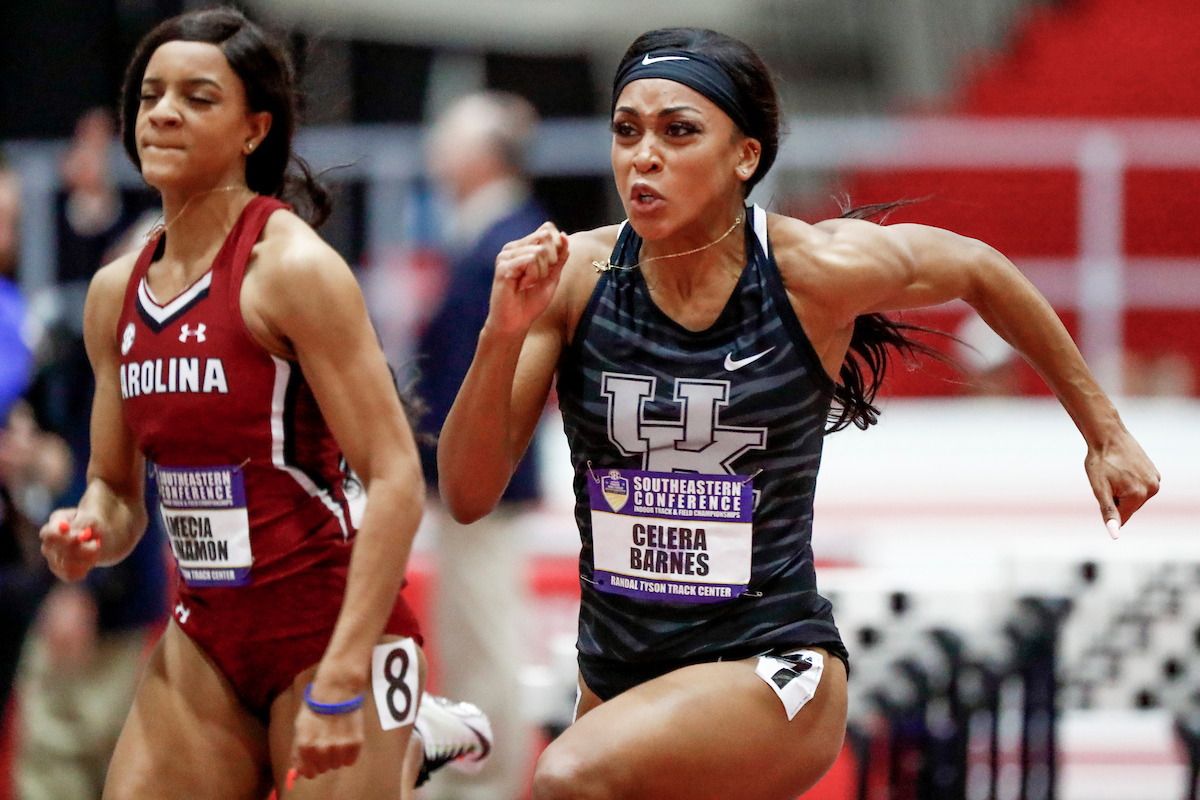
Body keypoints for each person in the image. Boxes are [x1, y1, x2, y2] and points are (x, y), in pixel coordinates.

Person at [436, 26, 1161, 800]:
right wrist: (499, 337)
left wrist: (1105, 433)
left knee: (568, 776)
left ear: (744, 156)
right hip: (620, 676)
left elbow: (980, 269)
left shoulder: (812, 270)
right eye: (626, 130)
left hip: (770, 669)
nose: (642, 156)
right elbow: (468, 494)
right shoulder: (576, 278)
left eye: (679, 131)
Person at [37, 9, 485, 799]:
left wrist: (344, 676)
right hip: (208, 631)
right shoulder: (115, 293)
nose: (164, 112)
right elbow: (115, 491)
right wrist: (85, 531)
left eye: (197, 97)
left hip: (330, 622)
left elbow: (394, 479)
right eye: (150, 96)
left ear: (254, 129)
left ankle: (404, 734)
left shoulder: (293, 272)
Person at [417, 90, 545, 800]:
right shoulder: (480, 234)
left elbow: (490, 373)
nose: (437, 154)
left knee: (487, 638)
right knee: (464, 636)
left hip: (486, 479)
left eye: (449, 141)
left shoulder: (509, 238)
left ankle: (490, 782)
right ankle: (466, 773)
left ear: (479, 156)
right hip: (470, 476)